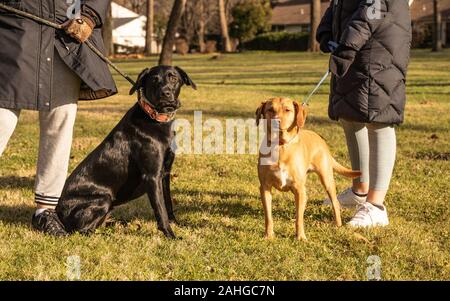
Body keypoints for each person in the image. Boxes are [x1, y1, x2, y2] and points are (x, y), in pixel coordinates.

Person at [0, 0, 117, 236]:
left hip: (66, 34)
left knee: (61, 118)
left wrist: (89, 15)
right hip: (14, 30)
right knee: (2, 117)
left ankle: (46, 210)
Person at [316, 0, 412, 227]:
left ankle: (376, 206)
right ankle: (359, 191)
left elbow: (376, 5)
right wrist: (326, 30)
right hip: (353, 43)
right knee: (350, 114)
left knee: (379, 118)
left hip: (380, 46)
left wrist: (347, 46)